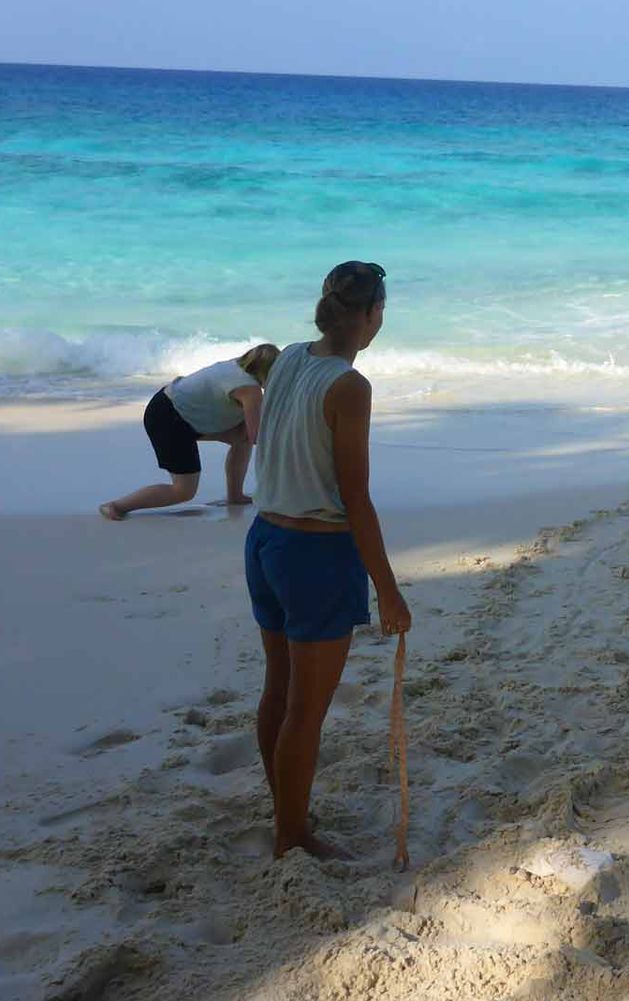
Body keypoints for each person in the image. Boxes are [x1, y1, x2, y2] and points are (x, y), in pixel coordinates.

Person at [246, 261, 412, 860]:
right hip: (314, 550)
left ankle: (286, 807)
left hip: (265, 540)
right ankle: (292, 834)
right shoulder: (350, 386)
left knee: (279, 692)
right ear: (372, 316)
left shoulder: (290, 356)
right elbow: (355, 497)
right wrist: (388, 591)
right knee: (305, 711)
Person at [100, 344, 280, 520]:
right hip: (169, 419)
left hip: (170, 405)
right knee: (183, 491)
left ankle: (235, 496)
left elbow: (250, 433)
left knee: (242, 438)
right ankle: (116, 506)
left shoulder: (237, 366)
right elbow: (257, 435)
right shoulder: (250, 390)